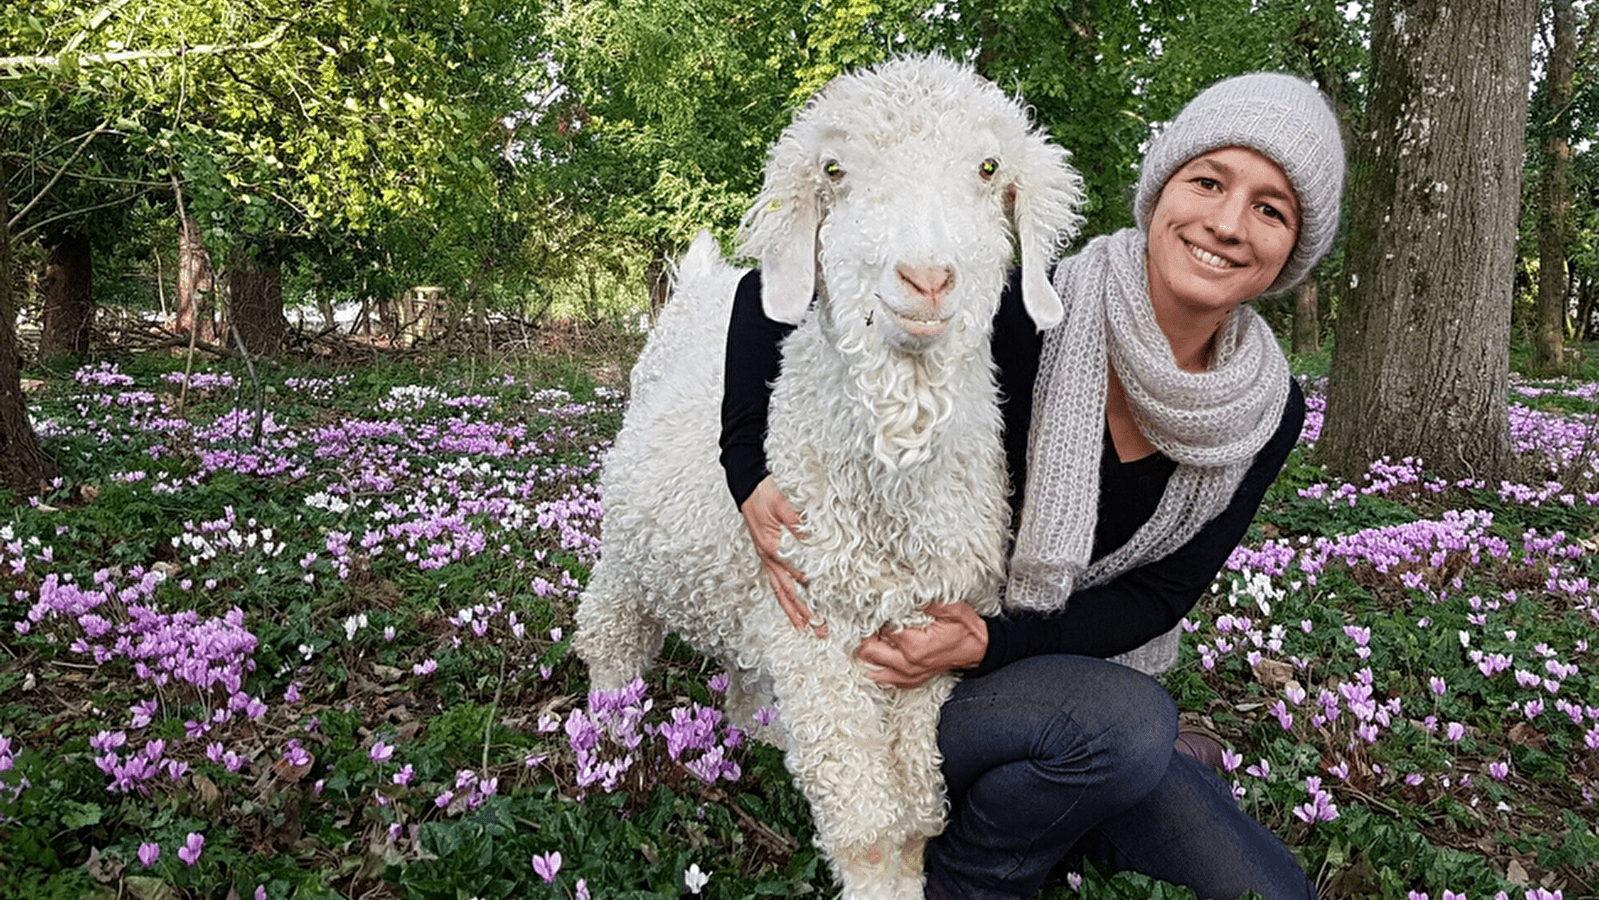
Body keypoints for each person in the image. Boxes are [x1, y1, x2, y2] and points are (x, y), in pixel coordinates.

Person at [719, 72, 1343, 900]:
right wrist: (744, 470)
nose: (1227, 224)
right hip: (927, 677)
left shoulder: (1266, 409)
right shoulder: (1027, 310)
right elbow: (775, 296)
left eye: (1270, 208)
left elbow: (1160, 596)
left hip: (1050, 663)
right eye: (1208, 181)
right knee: (1129, 730)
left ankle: (1072, 781)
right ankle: (974, 873)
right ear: (1161, 191)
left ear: (1291, 249)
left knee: (1272, 890)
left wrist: (991, 642)